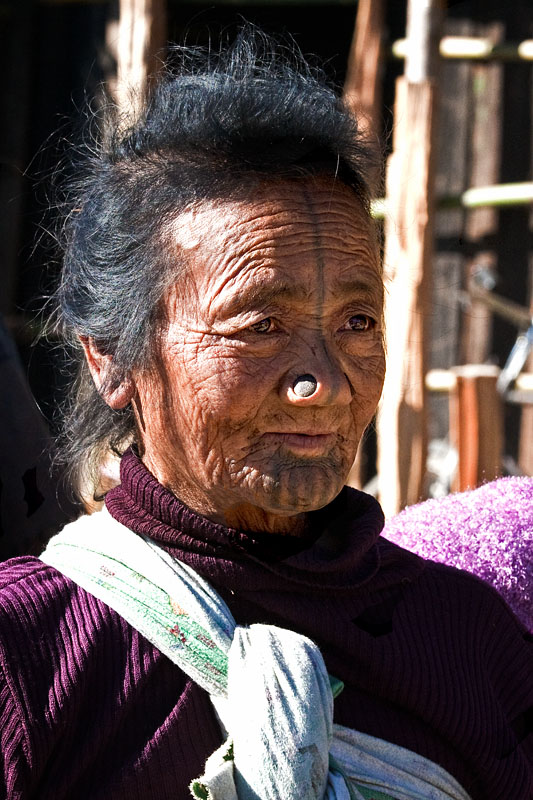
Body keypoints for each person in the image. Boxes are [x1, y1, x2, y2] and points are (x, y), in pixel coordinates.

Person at [0, 29, 531, 800]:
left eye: (357, 323)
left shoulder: (466, 641)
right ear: (110, 358)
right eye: (259, 326)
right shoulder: (31, 658)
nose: (326, 383)